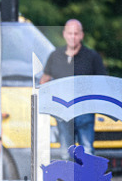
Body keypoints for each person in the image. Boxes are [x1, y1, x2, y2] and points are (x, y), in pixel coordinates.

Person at [39, 19, 107, 157]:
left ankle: (87, 179)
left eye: (76, 34)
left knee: (87, 152)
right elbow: (44, 80)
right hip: (62, 111)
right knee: (66, 153)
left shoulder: (92, 56)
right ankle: (68, 179)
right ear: (64, 34)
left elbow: (102, 82)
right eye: (70, 33)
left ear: (81, 35)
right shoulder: (55, 55)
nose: (73, 37)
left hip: (85, 111)